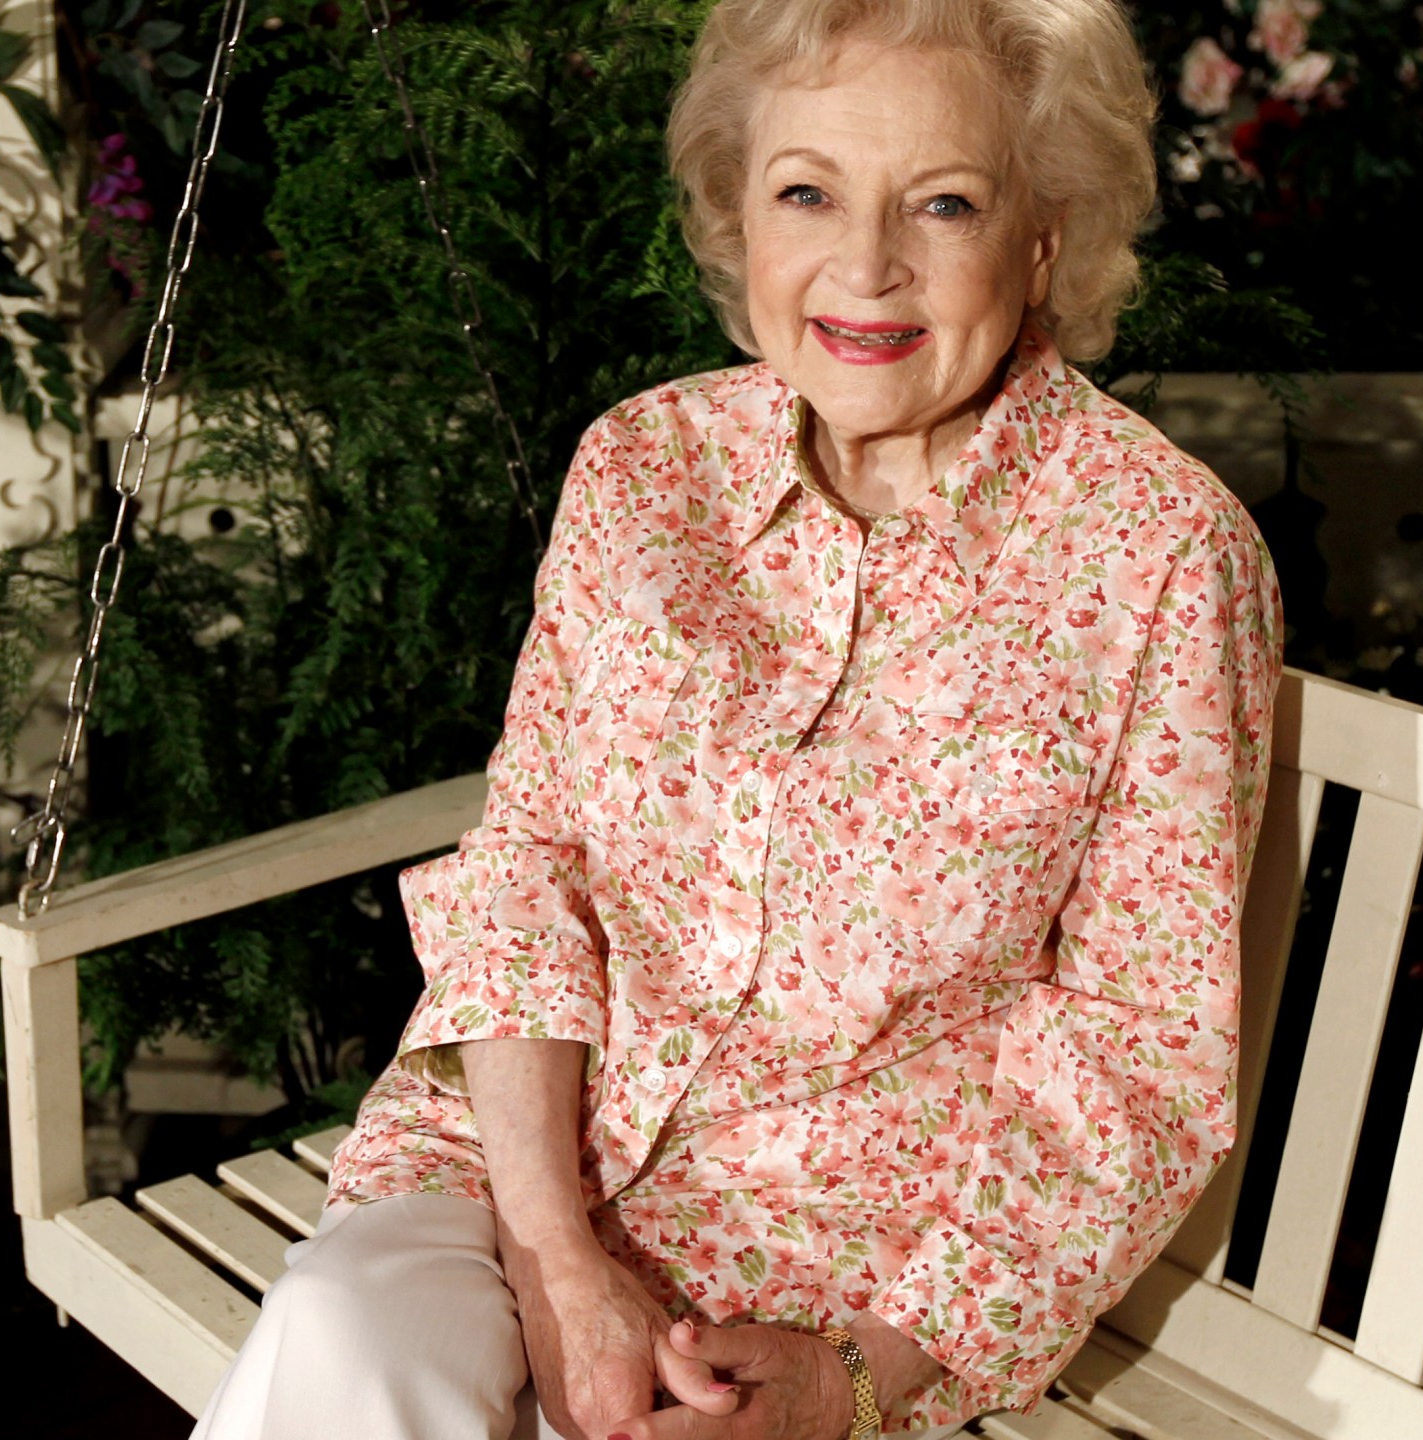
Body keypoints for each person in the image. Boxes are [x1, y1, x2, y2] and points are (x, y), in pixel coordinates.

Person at [191, 1, 1286, 1438]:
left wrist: (854, 1381)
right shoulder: (643, 470)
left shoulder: (1159, 558)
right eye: (807, 192)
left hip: (837, 1285)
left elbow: (1140, 1051)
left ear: (1043, 238)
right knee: (340, 1337)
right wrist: (559, 1265)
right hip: (511, 1175)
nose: (866, 267)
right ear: (739, 219)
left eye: (942, 203)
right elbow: (531, 866)